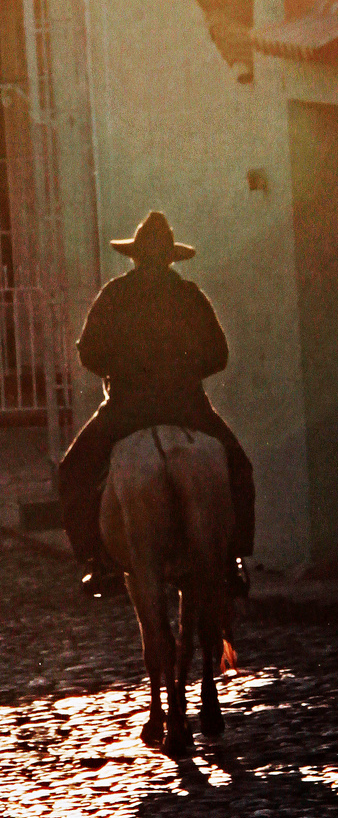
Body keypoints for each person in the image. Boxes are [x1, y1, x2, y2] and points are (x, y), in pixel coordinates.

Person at [58, 211, 254, 597]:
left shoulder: (114, 294)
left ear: (134, 257)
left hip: (125, 412)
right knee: (239, 470)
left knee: (73, 474)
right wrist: (181, 370)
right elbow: (219, 355)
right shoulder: (190, 295)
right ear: (169, 258)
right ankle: (233, 560)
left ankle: (96, 562)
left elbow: (88, 353)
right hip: (188, 409)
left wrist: (121, 370)